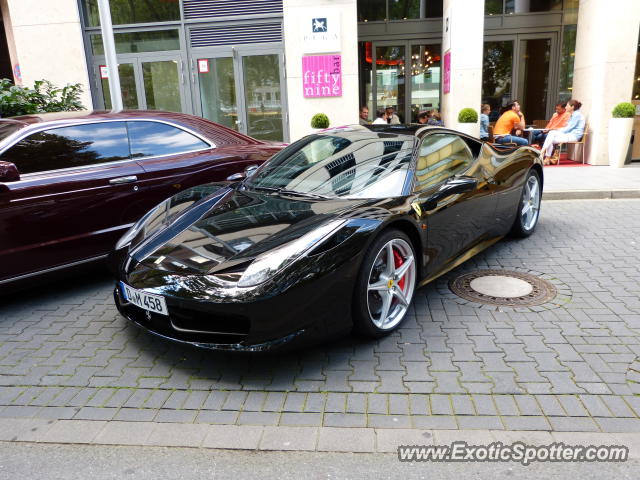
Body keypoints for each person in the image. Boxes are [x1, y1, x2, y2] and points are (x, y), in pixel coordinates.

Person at [541, 99, 585, 165]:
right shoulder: (573, 114)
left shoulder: (576, 115)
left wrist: (557, 130)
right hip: (569, 134)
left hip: (574, 136)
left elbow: (569, 128)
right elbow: (567, 127)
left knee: (552, 133)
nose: (566, 107)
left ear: (572, 107)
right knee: (551, 139)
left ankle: (541, 153)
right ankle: (547, 158)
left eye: (567, 105)